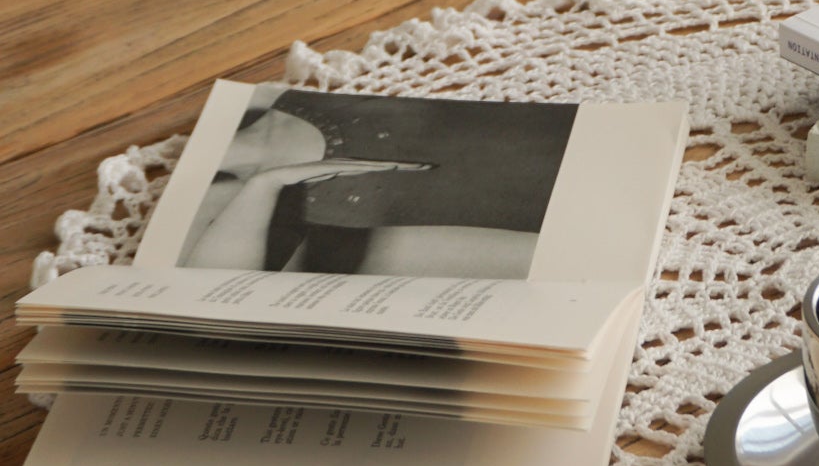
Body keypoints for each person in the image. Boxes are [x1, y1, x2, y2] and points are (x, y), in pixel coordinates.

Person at [179, 84, 573, 276]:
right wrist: (265, 185)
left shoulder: (276, 95)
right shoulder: (233, 220)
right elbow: (214, 291)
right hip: (540, 212)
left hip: (564, 131)